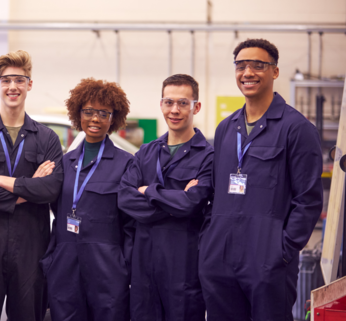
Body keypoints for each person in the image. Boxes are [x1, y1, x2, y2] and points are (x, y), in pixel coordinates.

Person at [198, 39, 323, 320]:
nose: (248, 72)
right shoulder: (225, 129)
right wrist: (209, 242)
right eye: (241, 66)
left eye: (258, 65)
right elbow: (216, 191)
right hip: (219, 258)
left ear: (275, 72)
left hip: (268, 261)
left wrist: (283, 251)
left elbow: (308, 200)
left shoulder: (297, 128)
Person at [0, 50, 63, 321]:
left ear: (30, 84)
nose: (13, 86)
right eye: (6, 80)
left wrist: (5, 181)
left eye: (20, 79)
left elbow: (51, 190)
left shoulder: (48, 138)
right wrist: (30, 188)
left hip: (31, 242)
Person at [118, 74, 212, 321]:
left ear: (196, 107)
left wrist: (148, 191)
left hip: (183, 264)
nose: (175, 110)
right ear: (161, 104)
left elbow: (193, 203)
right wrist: (176, 200)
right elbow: (125, 197)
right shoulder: (146, 152)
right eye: (169, 102)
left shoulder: (208, 156)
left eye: (183, 103)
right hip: (144, 265)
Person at [41, 78, 134, 321]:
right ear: (77, 114)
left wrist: (124, 266)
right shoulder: (64, 163)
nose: (95, 118)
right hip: (65, 264)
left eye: (104, 113)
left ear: (113, 118)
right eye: (89, 111)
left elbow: (131, 223)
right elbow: (54, 207)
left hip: (107, 267)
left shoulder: (126, 164)